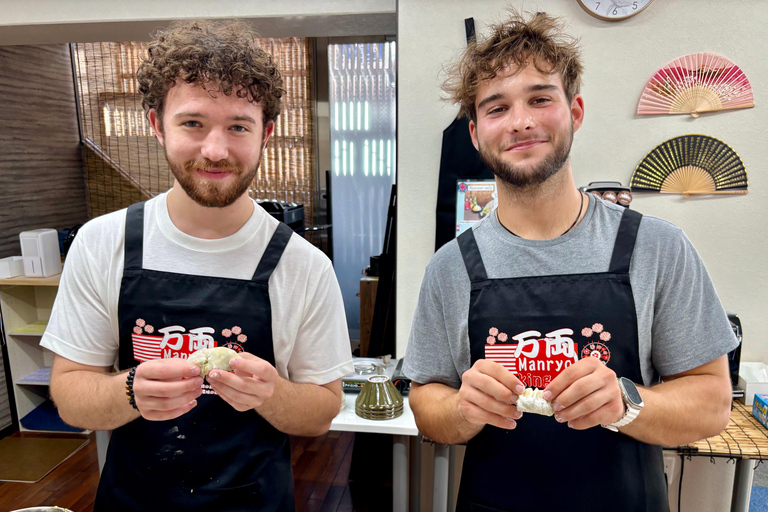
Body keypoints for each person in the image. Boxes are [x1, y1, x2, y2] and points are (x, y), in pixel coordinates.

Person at [403, 10, 737, 512]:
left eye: (540, 98)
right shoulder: (450, 268)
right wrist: (461, 409)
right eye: (497, 108)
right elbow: (427, 402)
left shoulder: (657, 248)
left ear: (575, 111)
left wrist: (626, 403)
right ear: (475, 134)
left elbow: (711, 402)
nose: (521, 121)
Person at [42, 19, 353, 512]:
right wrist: (129, 390)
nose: (215, 149)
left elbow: (322, 411)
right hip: (132, 498)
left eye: (238, 126)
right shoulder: (102, 243)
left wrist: (271, 394)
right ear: (155, 125)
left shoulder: (304, 265)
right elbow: (70, 391)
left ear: (265, 133)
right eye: (192, 123)